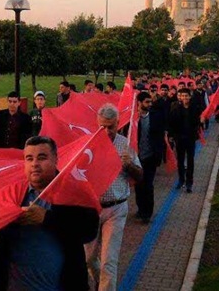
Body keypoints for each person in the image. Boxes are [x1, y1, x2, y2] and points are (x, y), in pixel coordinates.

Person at [0, 136, 99, 291]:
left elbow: (88, 231)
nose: (35, 164)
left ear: (56, 159)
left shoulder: (73, 191)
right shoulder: (12, 194)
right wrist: (7, 217)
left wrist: (46, 218)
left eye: (42, 158)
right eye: (29, 158)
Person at [86, 104, 142, 291]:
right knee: (88, 258)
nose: (107, 131)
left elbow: (140, 175)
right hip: (92, 209)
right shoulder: (88, 145)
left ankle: (106, 286)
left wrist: (129, 166)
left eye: (111, 126)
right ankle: (99, 282)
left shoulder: (125, 145)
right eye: (103, 126)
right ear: (97, 124)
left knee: (109, 261)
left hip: (116, 208)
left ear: (118, 123)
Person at [133, 92, 167, 223]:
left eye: (150, 102)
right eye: (147, 102)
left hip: (150, 157)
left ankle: (147, 213)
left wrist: (159, 155)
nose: (149, 104)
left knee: (148, 185)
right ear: (139, 103)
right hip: (136, 158)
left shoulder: (156, 117)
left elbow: (159, 138)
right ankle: (140, 209)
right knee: (138, 185)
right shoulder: (133, 118)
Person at [167, 88, 204, 193]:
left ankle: (189, 182)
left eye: (186, 96)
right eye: (182, 96)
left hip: (191, 138)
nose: (184, 98)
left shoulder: (195, 108)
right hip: (180, 138)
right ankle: (181, 179)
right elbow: (171, 123)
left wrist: (201, 120)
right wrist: (171, 135)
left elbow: (198, 122)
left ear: (189, 96)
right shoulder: (175, 108)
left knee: (190, 160)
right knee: (180, 160)